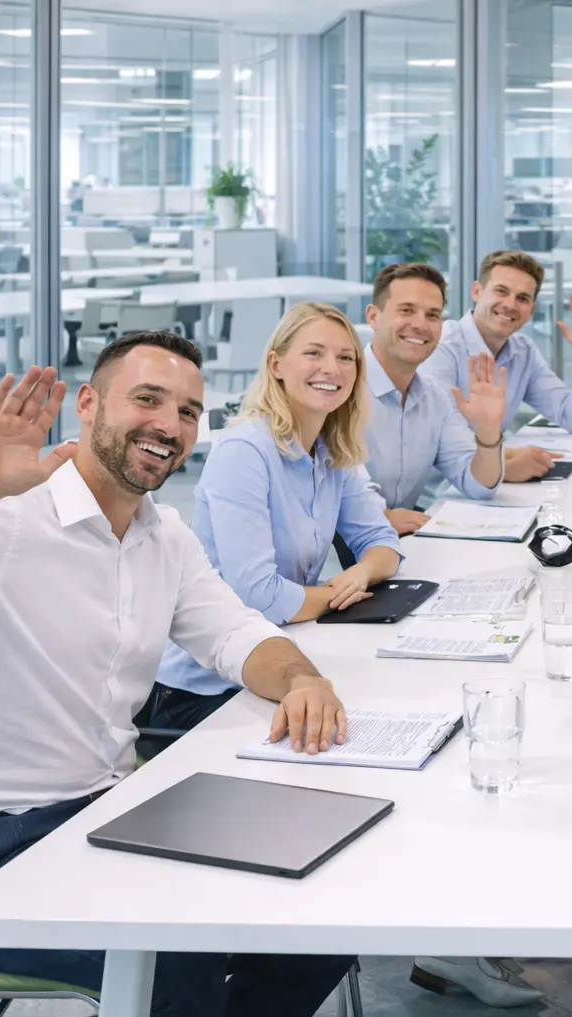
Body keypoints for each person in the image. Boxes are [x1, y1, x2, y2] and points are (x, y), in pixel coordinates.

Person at [0, 336, 355, 1017]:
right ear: (88, 405)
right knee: (170, 962)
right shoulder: (2, 517)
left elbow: (237, 635)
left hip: (102, 818)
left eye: (187, 411)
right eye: (147, 400)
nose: (169, 425)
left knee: (320, 920)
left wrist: (302, 679)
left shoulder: (164, 535)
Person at [149, 303, 403, 734]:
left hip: (289, 653)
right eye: (314, 353)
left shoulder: (332, 450)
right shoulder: (244, 452)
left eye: (346, 358)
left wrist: (360, 574)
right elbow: (259, 597)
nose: (333, 368)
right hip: (202, 691)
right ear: (276, 363)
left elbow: (383, 542)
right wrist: (338, 595)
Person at [424, 249, 572, 483]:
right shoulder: (442, 346)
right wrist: (505, 467)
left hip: (488, 488)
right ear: (477, 291)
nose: (510, 304)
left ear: (531, 310)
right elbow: (444, 441)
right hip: (439, 498)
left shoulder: (522, 351)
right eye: (501, 291)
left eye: (522, 298)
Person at [362, 262, 506, 535]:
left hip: (403, 549)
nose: (420, 325)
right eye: (406, 310)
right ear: (373, 317)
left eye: (432, 315)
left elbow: (480, 485)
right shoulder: (339, 388)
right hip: (333, 563)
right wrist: (378, 518)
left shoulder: (435, 396)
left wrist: (488, 431)